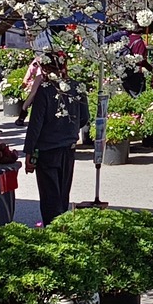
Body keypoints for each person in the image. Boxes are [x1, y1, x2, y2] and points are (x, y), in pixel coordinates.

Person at [22, 50, 89, 223]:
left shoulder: (45, 90)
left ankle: (54, 231)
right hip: (68, 148)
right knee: (62, 193)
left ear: (45, 68)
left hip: (47, 150)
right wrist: (69, 129)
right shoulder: (77, 87)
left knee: (50, 196)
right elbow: (84, 118)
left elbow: (35, 124)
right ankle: (62, 227)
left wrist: (29, 151)